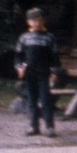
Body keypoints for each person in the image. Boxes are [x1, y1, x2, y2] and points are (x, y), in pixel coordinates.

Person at [14, 7, 62, 138]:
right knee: (31, 101)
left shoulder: (49, 37)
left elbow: (55, 57)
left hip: (44, 74)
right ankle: (33, 126)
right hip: (30, 74)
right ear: (28, 22)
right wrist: (19, 67)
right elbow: (18, 55)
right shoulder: (24, 38)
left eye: (39, 20)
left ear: (43, 21)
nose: (36, 23)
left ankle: (49, 127)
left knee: (46, 100)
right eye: (33, 20)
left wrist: (55, 72)